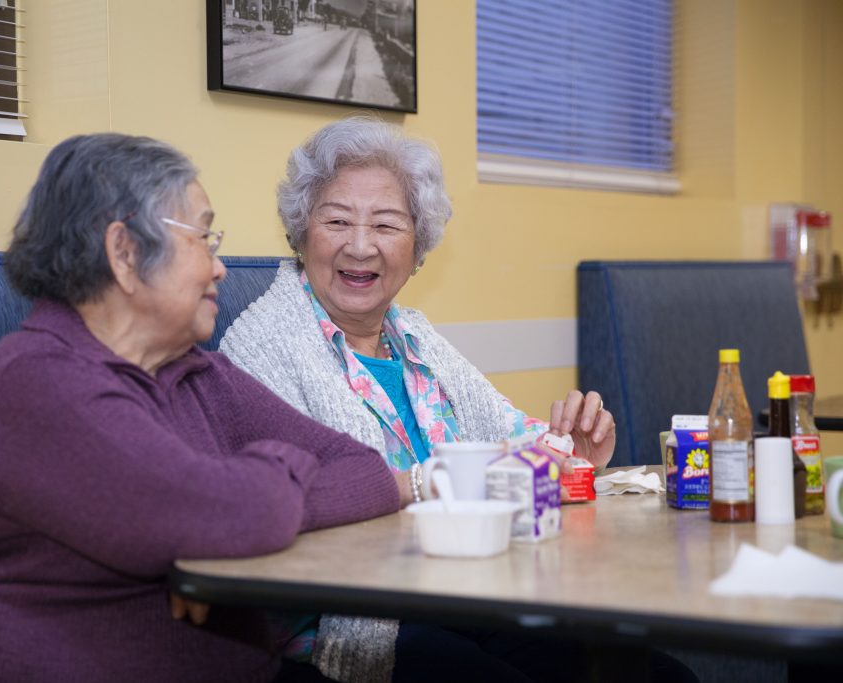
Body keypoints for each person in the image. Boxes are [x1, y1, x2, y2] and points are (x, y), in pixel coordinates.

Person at [0, 133, 403, 683]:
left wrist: (229, 512)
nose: (219, 268)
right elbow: (219, 516)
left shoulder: (196, 370)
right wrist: (279, 468)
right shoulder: (38, 382)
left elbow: (362, 466)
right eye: (203, 238)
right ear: (125, 253)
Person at [219, 117, 693, 683]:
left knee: (659, 678)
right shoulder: (262, 342)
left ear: (418, 248)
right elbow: (296, 505)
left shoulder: (414, 336)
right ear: (301, 234)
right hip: (358, 624)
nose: (361, 245)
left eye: (388, 225)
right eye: (337, 220)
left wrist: (572, 453)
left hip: (470, 595)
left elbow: (509, 440)